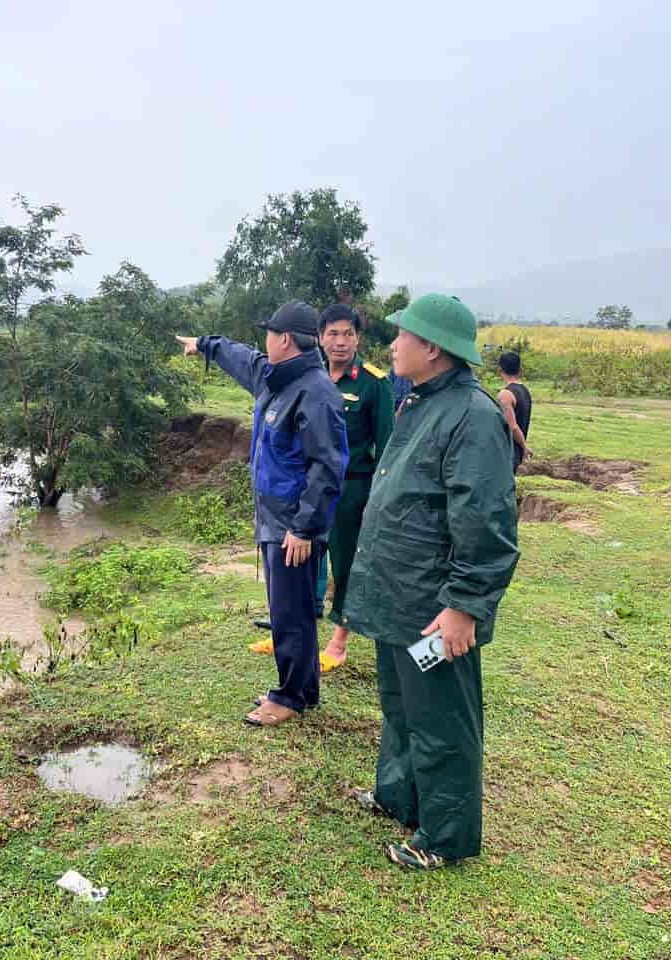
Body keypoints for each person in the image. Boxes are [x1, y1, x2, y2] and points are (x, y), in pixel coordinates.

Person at [341, 293, 519, 871]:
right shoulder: (419, 402)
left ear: (433, 348)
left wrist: (464, 605)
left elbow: (486, 521)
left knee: (441, 716)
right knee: (400, 705)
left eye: (403, 336)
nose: (392, 345)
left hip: (434, 609)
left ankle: (443, 835)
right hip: (399, 598)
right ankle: (399, 796)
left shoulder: (473, 416)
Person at [176, 303, 348, 727]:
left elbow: (327, 467)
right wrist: (205, 345)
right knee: (291, 611)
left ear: (285, 339)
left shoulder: (315, 392)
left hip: (293, 527)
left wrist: (305, 528)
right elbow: (242, 358)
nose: (264, 341)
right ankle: (304, 688)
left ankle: (288, 697)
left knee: (290, 614)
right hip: (276, 522)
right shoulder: (274, 379)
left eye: (270, 334)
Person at [305, 303, 395, 673]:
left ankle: (339, 640)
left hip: (351, 489)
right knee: (305, 557)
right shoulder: (309, 376)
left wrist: (378, 499)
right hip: (310, 487)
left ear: (358, 338)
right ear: (320, 338)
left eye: (348, 334)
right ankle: (296, 628)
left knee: (345, 564)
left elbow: (387, 446)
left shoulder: (374, 384)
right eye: (333, 334)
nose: (341, 342)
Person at [496, 351, 533, 472]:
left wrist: (524, 446)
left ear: (500, 369)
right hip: (514, 454)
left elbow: (512, 427)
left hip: (507, 453)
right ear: (520, 369)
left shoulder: (505, 395)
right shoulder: (525, 391)